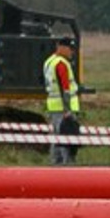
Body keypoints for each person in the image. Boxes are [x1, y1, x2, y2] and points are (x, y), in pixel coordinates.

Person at [43, 34, 81, 165]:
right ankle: (67, 167)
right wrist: (68, 110)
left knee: (56, 139)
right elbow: (65, 88)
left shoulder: (49, 61)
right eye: (70, 49)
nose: (72, 52)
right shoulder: (61, 64)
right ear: (61, 48)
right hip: (64, 109)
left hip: (53, 107)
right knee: (67, 141)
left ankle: (55, 166)